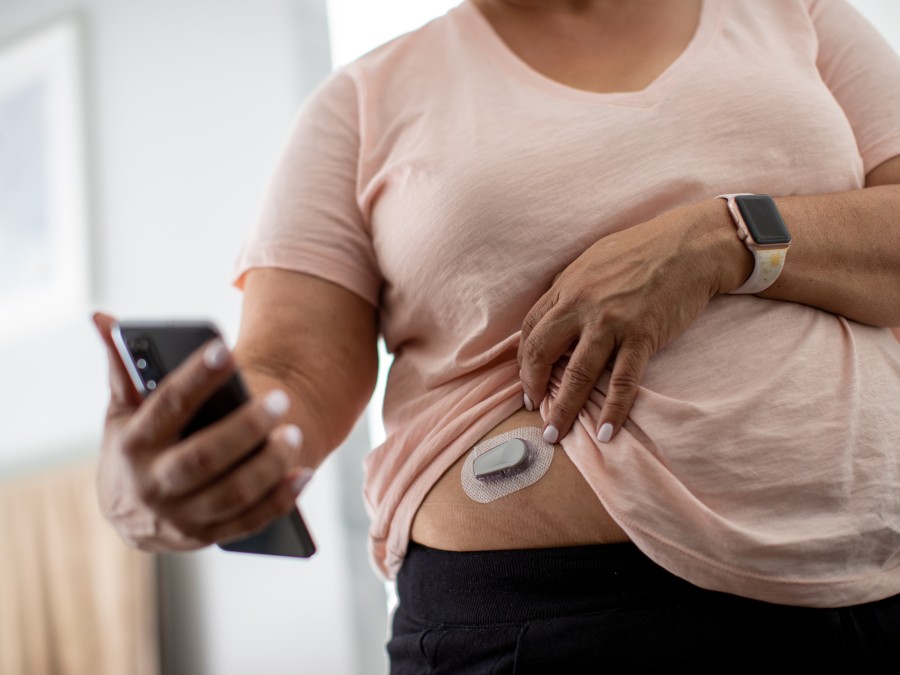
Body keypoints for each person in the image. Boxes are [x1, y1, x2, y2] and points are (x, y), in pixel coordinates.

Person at [95, 0, 900, 669]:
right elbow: (290, 372)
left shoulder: (798, 15)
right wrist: (175, 467)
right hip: (546, 623)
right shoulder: (362, 103)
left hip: (881, 582)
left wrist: (721, 241)